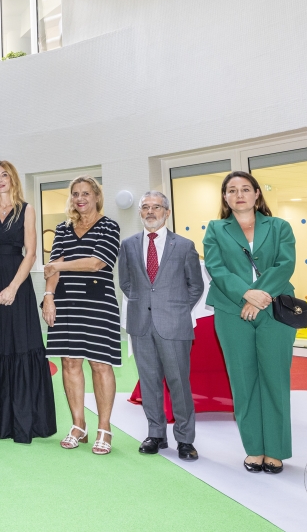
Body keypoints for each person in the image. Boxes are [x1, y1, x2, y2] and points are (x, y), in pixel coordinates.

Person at [203, 171, 296, 475]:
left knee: (275, 379)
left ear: (257, 194)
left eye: (245, 189)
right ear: (225, 197)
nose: (239, 194)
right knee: (243, 381)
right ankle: (254, 449)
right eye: (232, 190)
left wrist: (260, 296)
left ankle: (276, 451)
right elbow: (216, 267)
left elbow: (286, 264)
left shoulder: (279, 226)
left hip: (275, 309)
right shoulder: (216, 229)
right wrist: (246, 294)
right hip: (232, 311)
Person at [0, 161, 56, 443]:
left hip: (18, 286)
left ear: (13, 179)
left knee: (21, 346)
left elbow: (30, 253)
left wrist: (13, 288)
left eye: (4, 175)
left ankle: (23, 422)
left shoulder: (27, 209)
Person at [118, 191, 204, 460]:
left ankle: (185, 439)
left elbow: (196, 286)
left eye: (156, 207)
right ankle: (156, 434)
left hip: (174, 325)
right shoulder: (128, 245)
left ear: (167, 212)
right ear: (140, 213)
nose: (150, 211)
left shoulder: (184, 246)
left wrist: (176, 310)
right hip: (141, 324)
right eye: (145, 207)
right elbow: (126, 283)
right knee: (149, 382)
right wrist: (146, 305)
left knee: (179, 383)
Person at [43, 175, 120, 455]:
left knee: (100, 365)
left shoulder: (109, 227)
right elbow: (53, 269)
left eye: (86, 193)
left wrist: (59, 266)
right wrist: (48, 298)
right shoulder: (63, 229)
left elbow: (96, 263)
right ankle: (79, 426)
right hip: (65, 304)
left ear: (97, 196)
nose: (80, 198)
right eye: (75, 194)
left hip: (98, 304)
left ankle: (104, 428)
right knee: (70, 363)